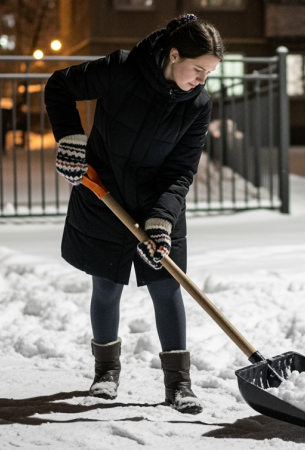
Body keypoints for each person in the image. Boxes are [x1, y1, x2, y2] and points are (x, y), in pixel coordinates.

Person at [44, 14, 224, 415]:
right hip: (103, 192)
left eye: (209, 73)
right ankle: (105, 373)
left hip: (160, 202)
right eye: (197, 69)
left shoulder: (198, 104)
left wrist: (162, 220)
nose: (201, 80)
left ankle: (179, 384)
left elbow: (181, 169)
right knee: (107, 285)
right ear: (174, 54)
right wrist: (71, 138)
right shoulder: (122, 69)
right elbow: (60, 86)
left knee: (166, 286)